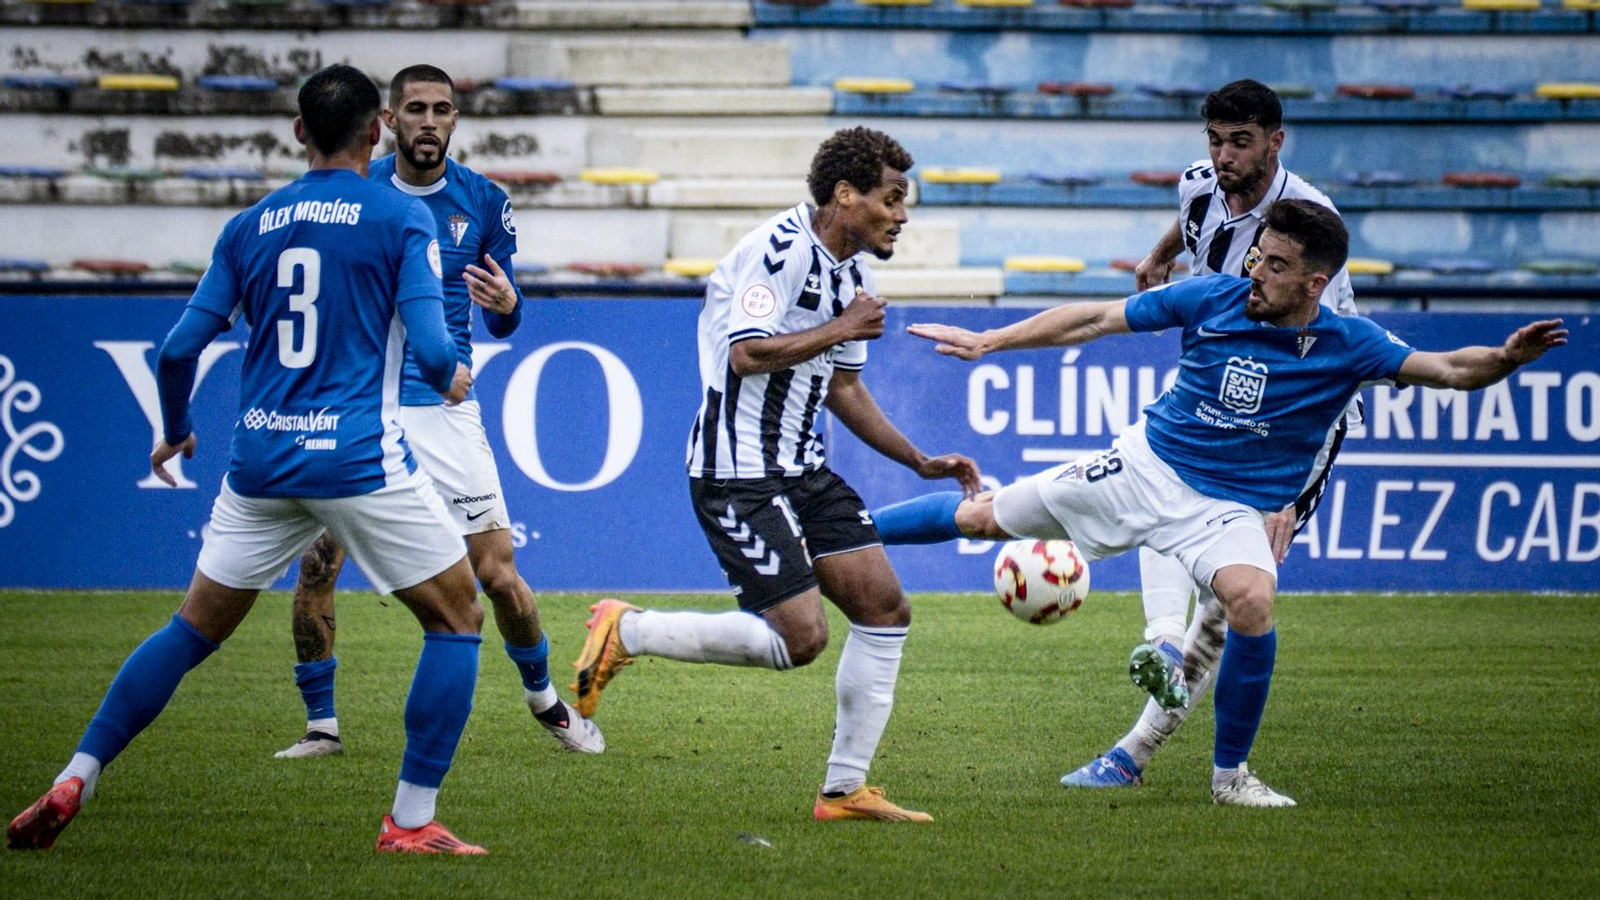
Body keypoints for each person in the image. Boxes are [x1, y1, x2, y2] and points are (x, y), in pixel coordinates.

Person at [871, 199, 1565, 807]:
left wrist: (1504, 358)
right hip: (1145, 466)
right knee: (983, 517)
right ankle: (839, 538)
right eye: (1258, 257)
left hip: (1228, 507)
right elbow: (1094, 319)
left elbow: (1447, 369)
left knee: (1253, 601)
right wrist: (993, 339)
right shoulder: (1212, 298)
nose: (1256, 274)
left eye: (1276, 266)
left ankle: (1229, 775)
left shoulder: (1351, 344)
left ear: (1315, 283)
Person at [7, 64, 494, 854]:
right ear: (379, 131)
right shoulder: (401, 219)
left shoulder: (249, 225)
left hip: (260, 459)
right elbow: (435, 349)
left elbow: (177, 350)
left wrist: (174, 428)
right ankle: (410, 821)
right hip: (357, 459)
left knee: (190, 631)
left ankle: (77, 773)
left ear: (298, 132)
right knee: (457, 619)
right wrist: (451, 376)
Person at [568, 126, 981, 822]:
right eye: (892, 199)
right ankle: (627, 630)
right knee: (802, 640)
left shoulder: (855, 272)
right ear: (845, 195)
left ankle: (845, 792)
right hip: (737, 472)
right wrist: (842, 327)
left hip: (803, 467)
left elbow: (844, 390)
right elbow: (747, 354)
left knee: (884, 609)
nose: (902, 216)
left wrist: (917, 459)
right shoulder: (777, 252)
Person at [273, 64, 602, 762]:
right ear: (386, 121)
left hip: (445, 404)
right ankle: (321, 727)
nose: (429, 121)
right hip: (360, 402)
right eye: (415, 109)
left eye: (442, 109)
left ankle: (546, 701)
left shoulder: (482, 201)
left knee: (498, 572)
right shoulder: (353, 196)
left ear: (456, 119)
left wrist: (510, 309)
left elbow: (507, 312)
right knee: (316, 566)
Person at [1075, 79, 1366, 788]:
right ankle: (1162, 649)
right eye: (1215, 139)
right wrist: (1159, 254)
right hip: (1214, 389)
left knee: (1229, 600)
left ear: (1276, 141)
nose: (1225, 155)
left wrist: (1292, 492)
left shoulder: (1311, 224)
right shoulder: (1200, 185)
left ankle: (1137, 753)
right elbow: (1196, 216)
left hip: (1290, 422)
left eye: (1242, 141)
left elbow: (1339, 359)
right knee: (1150, 478)